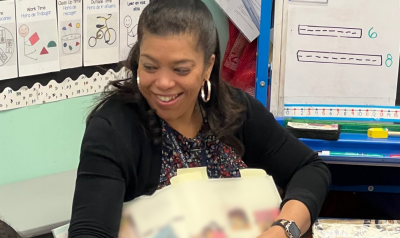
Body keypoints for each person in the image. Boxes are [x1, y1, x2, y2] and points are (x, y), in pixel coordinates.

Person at [68, 0, 331, 237]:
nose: (163, 83)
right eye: (149, 66)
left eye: (181, 69)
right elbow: (89, 231)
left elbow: (310, 169)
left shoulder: (235, 110)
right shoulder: (114, 129)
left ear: (207, 66)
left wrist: (284, 229)